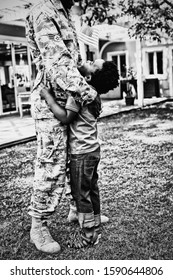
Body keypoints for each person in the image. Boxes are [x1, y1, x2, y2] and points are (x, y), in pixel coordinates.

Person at [25, 0, 98, 254]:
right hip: (51, 103)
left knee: (74, 157)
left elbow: (72, 60)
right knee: (51, 163)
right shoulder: (43, 10)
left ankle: (76, 209)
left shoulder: (63, 12)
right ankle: (39, 225)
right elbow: (57, 64)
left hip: (68, 99)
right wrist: (89, 92)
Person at [40, 58, 119, 248]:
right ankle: (96, 222)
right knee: (92, 188)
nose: (89, 60)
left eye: (93, 63)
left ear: (89, 76)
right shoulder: (94, 94)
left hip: (81, 153)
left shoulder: (80, 93)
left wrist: (49, 98)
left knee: (80, 193)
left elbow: (66, 118)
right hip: (93, 150)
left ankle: (88, 234)